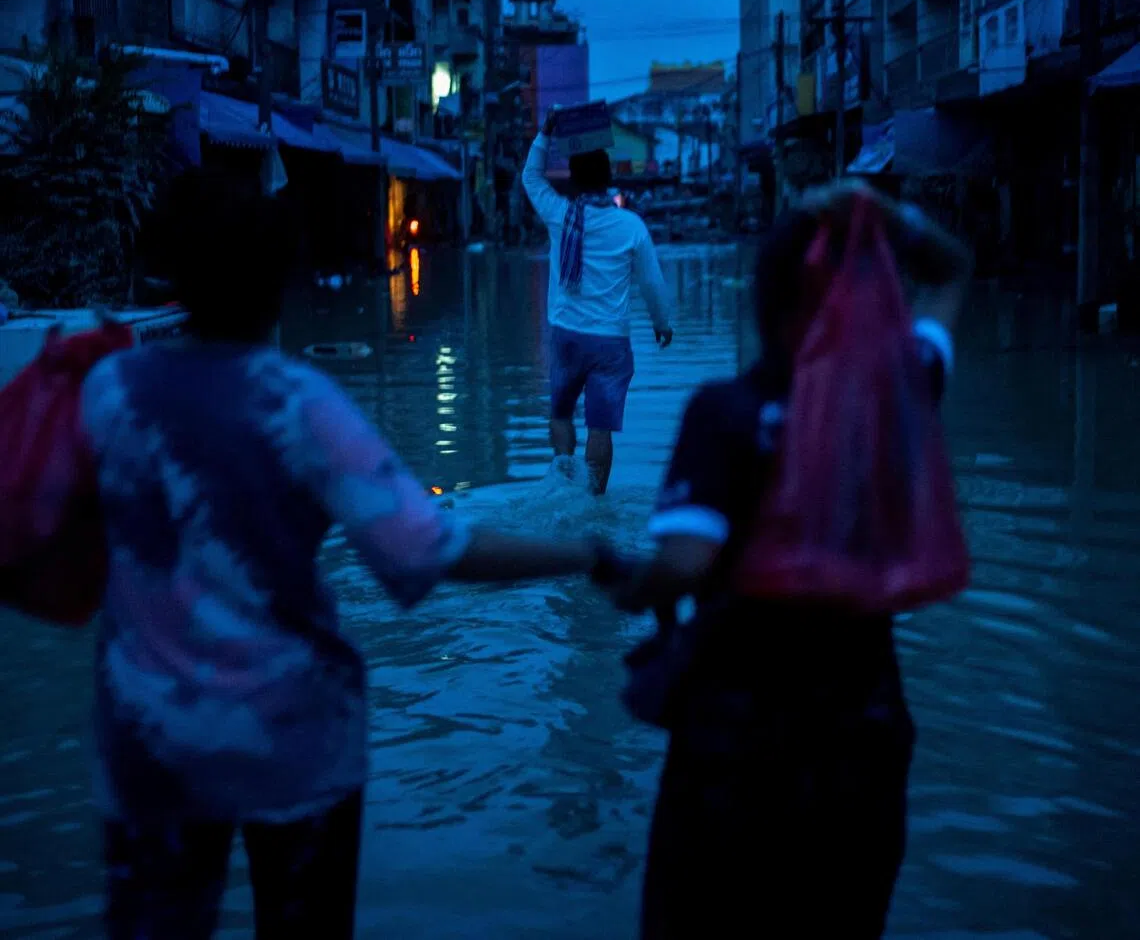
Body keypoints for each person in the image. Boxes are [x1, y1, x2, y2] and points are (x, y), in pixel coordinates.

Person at [80, 167, 616, 940]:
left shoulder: (109, 391)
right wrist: (582, 556)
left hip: (150, 742)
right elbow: (429, 547)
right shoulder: (300, 404)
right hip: (295, 738)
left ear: (176, 279)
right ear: (280, 285)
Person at [601, 181, 973, 939]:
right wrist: (879, 213)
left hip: (736, 752)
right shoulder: (898, 397)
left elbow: (686, 563)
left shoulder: (726, 412)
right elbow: (954, 268)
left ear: (760, 304)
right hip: (860, 744)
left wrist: (624, 578)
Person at [522, 108, 673, 495]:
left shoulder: (559, 214)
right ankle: (592, 503)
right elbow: (653, 284)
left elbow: (531, 177)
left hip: (567, 335)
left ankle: (563, 478)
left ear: (572, 179)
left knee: (560, 413)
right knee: (600, 428)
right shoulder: (631, 226)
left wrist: (545, 134)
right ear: (609, 180)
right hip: (610, 344)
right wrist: (661, 324)